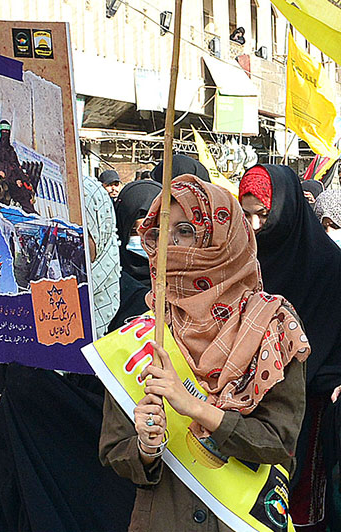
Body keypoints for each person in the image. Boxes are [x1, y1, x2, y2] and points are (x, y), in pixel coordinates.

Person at [100, 174, 311, 531]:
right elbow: (114, 449)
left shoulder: (272, 326)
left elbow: (280, 442)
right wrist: (146, 448)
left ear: (222, 237)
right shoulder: (143, 331)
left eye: (186, 230)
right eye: (160, 231)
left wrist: (195, 407)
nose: (171, 244)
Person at [0, 176, 135, 532]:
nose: (67, 248)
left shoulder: (134, 307)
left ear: (100, 226)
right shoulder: (17, 308)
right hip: (33, 492)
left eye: (80, 233)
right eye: (53, 231)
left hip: (103, 496)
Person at [239, 165, 341, 530]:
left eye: (262, 215)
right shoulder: (240, 261)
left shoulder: (329, 264)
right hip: (244, 404)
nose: (252, 226)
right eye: (245, 214)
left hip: (307, 407)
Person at [109, 179, 162, 331]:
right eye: (134, 232)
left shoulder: (183, 286)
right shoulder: (110, 288)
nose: (143, 242)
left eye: (154, 233)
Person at [0, 120, 36, 213]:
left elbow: (17, 166)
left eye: (7, 132)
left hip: (15, 178)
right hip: (4, 178)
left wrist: (23, 179)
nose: (5, 134)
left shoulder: (11, 150)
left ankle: (31, 213)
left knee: (24, 194)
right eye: (3, 132)